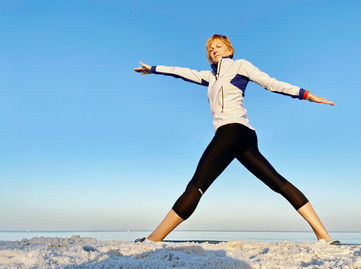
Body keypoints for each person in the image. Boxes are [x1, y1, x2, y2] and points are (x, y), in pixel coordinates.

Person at [134, 34, 339, 245]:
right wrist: (153, 69)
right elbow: (181, 72)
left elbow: (270, 83)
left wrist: (306, 95)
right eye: (210, 48)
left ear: (229, 50)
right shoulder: (210, 77)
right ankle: (325, 237)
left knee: (196, 185)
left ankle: (153, 239)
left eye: (219, 46)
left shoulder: (240, 65)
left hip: (232, 131)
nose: (214, 50)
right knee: (277, 182)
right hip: (242, 137)